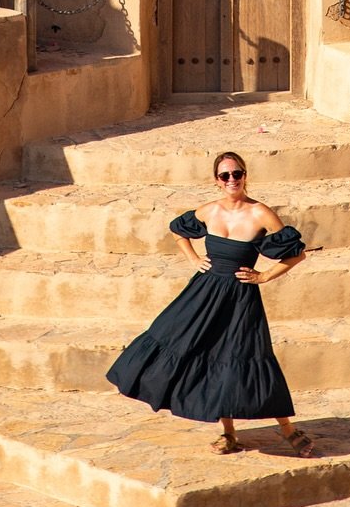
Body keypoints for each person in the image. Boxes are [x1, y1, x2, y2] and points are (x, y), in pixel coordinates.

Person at [106, 150, 315, 455]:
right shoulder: (209, 211)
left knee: (249, 358)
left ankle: (288, 429)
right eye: (225, 175)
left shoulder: (261, 213)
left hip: (241, 298)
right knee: (198, 351)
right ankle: (228, 434)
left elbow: (296, 253)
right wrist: (192, 258)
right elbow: (178, 229)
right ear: (216, 180)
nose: (232, 179)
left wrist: (265, 276)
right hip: (203, 294)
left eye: (237, 173)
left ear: (245, 176)